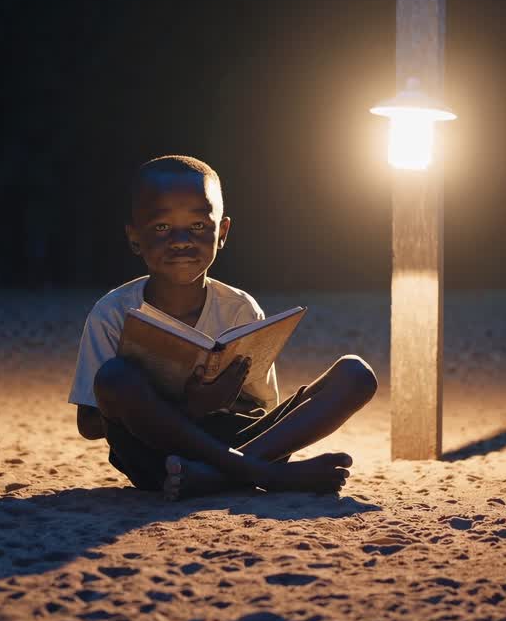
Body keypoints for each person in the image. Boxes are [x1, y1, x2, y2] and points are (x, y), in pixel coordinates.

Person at [69, 155, 377, 501]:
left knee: (356, 374)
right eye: (161, 228)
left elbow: (263, 407)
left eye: (199, 225)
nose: (181, 240)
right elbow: (91, 425)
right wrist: (190, 406)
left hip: (236, 444)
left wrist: (221, 403)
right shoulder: (113, 312)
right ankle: (262, 474)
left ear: (223, 233)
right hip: (157, 459)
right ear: (134, 237)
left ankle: (216, 477)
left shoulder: (240, 308)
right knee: (114, 377)